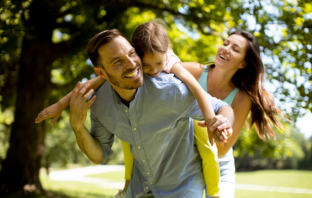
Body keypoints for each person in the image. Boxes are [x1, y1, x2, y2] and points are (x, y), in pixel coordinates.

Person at [36, 21, 231, 197]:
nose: (132, 64)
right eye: (117, 61)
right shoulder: (98, 101)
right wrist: (77, 126)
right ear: (101, 73)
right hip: (140, 189)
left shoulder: (171, 89)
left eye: (131, 54)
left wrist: (221, 120)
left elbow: (222, 107)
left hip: (182, 187)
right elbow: (98, 156)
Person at [182, 30, 286, 198]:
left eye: (235, 49)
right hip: (185, 162)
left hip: (219, 166)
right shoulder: (193, 71)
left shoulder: (242, 98)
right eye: (225, 43)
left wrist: (203, 125)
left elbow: (222, 149)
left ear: (243, 64)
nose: (225, 49)